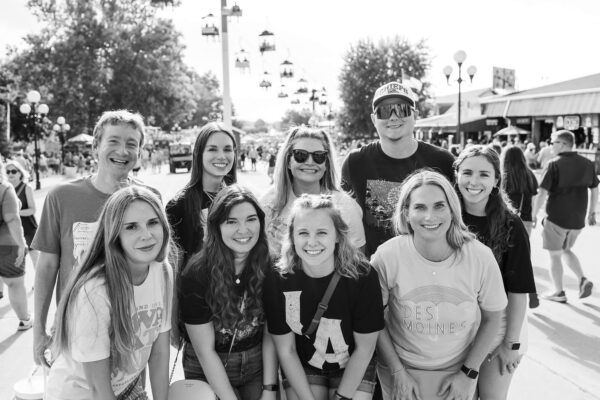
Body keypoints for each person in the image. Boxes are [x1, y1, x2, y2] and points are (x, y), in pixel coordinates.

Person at [370, 170, 507, 400]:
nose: (430, 216)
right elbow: (374, 319)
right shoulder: (387, 256)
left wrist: (468, 374)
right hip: (402, 371)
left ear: (453, 210)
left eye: (439, 206)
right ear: (406, 213)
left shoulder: (479, 257)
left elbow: (493, 317)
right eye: (420, 207)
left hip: (458, 372)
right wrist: (397, 372)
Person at [32, 110, 148, 366]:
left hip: (131, 331)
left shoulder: (148, 199)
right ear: (96, 146)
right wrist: (38, 329)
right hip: (74, 331)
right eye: (114, 141)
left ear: (140, 152)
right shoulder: (61, 197)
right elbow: (47, 266)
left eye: (132, 144)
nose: (123, 151)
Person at [45, 186, 173, 400]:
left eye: (153, 222)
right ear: (114, 235)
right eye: (131, 227)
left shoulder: (162, 271)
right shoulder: (94, 291)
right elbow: (99, 390)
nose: (146, 235)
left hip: (126, 387)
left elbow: (159, 354)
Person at [263, 194, 384, 400]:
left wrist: (342, 397)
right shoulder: (279, 277)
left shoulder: (362, 275)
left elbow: (365, 349)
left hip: (354, 362)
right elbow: (286, 350)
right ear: (292, 236)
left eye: (321, 232)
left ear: (337, 235)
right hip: (305, 363)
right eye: (303, 232)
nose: (312, 242)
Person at [179, 185, 277, 400]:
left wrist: (270, 390)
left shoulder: (270, 266)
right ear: (217, 227)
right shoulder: (196, 274)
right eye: (231, 221)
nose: (243, 230)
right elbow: (205, 352)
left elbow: (271, 334)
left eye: (251, 219)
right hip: (206, 367)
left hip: (256, 364)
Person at [455, 146, 537, 399]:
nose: (474, 181)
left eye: (484, 174)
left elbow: (518, 290)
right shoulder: (445, 218)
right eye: (467, 172)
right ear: (456, 175)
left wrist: (511, 343)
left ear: (496, 181)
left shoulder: (511, 224)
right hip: (455, 323)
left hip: (501, 324)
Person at [341, 81, 455, 257]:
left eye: (402, 109)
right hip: (377, 274)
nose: (393, 117)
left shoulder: (443, 161)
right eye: (384, 111)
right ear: (374, 119)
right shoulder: (355, 163)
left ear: (415, 115)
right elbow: (345, 222)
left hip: (431, 269)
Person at [262, 126, 365, 257]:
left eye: (319, 156)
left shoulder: (344, 206)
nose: (310, 162)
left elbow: (358, 259)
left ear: (326, 164)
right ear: (288, 161)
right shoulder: (268, 203)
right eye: (300, 155)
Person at [532, 130, 598, 303]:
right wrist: (592, 212)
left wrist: (533, 214)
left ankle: (558, 291)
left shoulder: (554, 164)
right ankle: (583, 279)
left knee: (554, 255)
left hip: (556, 218)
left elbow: (542, 193)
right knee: (565, 250)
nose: (550, 145)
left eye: (553, 142)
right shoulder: (587, 163)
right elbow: (595, 189)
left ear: (562, 143)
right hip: (578, 219)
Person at [166, 122, 238, 268]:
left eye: (227, 149)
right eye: (212, 149)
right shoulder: (178, 206)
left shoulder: (240, 200)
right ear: (199, 153)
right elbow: (175, 267)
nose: (221, 156)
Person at [501, 146, 540, 308]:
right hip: (525, 220)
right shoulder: (530, 174)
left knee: (505, 256)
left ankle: (507, 290)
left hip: (505, 219)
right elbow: (535, 198)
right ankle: (531, 291)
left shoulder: (503, 175)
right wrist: (534, 215)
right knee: (523, 255)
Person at [0, 160, 31, 331]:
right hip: (7, 244)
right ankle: (24, 320)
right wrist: (21, 244)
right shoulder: (4, 188)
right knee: (15, 284)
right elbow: (12, 218)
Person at [5, 160, 39, 269]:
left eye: (13, 171)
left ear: (20, 173)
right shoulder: (5, 190)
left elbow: (32, 209)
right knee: (16, 261)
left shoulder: (26, 188)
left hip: (28, 228)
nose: (10, 174)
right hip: (12, 229)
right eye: (8, 171)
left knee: (35, 259)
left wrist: (15, 212)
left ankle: (38, 285)